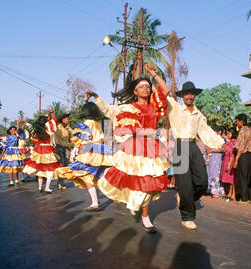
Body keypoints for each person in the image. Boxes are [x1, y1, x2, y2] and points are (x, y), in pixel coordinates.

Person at [87, 64, 170, 233]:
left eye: (148, 86)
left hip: (152, 146)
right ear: (135, 91)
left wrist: (154, 74)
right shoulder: (128, 107)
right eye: (142, 87)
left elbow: (165, 91)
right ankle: (140, 211)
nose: (146, 89)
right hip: (134, 146)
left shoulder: (154, 105)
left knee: (149, 183)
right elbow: (110, 111)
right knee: (136, 181)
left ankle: (142, 212)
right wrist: (97, 98)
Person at [167, 81, 225, 230]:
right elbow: (164, 91)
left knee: (202, 182)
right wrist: (154, 75)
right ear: (182, 96)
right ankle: (187, 217)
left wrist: (218, 142)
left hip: (193, 146)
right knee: (184, 184)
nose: (189, 96)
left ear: (194, 95)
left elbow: (205, 130)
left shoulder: (198, 113)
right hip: (180, 147)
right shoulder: (175, 107)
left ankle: (185, 197)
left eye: (192, 93)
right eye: (186, 93)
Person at [56, 102, 113, 211]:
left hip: (90, 151)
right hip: (102, 150)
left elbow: (83, 140)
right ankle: (114, 196)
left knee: (86, 175)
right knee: (100, 175)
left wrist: (81, 152)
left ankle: (95, 203)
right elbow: (107, 137)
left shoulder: (86, 123)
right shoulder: (102, 121)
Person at [23, 112, 63, 193]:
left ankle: (40, 187)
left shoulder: (36, 130)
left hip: (39, 149)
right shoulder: (48, 130)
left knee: (40, 169)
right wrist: (50, 115)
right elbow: (54, 122)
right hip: (47, 149)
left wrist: (26, 123)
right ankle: (47, 187)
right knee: (50, 169)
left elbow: (31, 126)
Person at [0, 120, 27, 186]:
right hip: (8, 152)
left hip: (16, 152)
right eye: (12, 130)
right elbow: (4, 147)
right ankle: (11, 181)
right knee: (9, 167)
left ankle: (16, 180)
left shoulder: (17, 136)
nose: (13, 131)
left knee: (15, 167)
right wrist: (2, 154)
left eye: (14, 130)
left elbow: (19, 129)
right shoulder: (6, 138)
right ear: (10, 130)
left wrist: (18, 123)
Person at [233, 114, 251, 203]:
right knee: (248, 176)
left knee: (242, 176)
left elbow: (240, 147)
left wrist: (236, 159)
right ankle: (250, 197)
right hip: (250, 156)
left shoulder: (242, 131)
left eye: (237, 121)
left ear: (241, 121)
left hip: (243, 156)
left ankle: (244, 198)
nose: (236, 123)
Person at [53, 113, 74, 190]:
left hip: (67, 148)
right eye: (67, 119)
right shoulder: (58, 128)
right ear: (63, 120)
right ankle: (60, 182)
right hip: (60, 148)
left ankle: (61, 181)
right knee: (61, 164)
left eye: (68, 118)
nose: (68, 120)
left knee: (65, 164)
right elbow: (58, 139)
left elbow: (73, 136)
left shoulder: (69, 129)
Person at [206, 126, 225, 198]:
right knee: (210, 173)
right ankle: (211, 190)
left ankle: (217, 192)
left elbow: (223, 149)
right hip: (211, 158)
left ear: (219, 132)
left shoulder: (222, 140)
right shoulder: (210, 140)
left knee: (216, 174)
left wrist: (213, 150)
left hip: (217, 158)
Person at [220, 128, 237, 201]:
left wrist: (229, 164)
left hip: (230, 161)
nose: (227, 135)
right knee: (229, 179)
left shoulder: (233, 142)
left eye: (229, 133)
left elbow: (232, 154)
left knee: (232, 178)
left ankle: (233, 194)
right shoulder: (229, 142)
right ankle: (230, 193)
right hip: (226, 160)